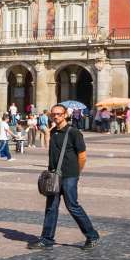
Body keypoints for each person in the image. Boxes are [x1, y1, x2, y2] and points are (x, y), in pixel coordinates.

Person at [31, 104, 98, 250]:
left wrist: (77, 173)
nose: (56, 117)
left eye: (59, 114)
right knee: (51, 207)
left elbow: (82, 156)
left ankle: (92, 235)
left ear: (65, 115)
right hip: (54, 176)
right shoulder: (53, 131)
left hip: (69, 176)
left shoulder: (74, 133)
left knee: (72, 206)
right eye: (53, 114)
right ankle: (47, 239)